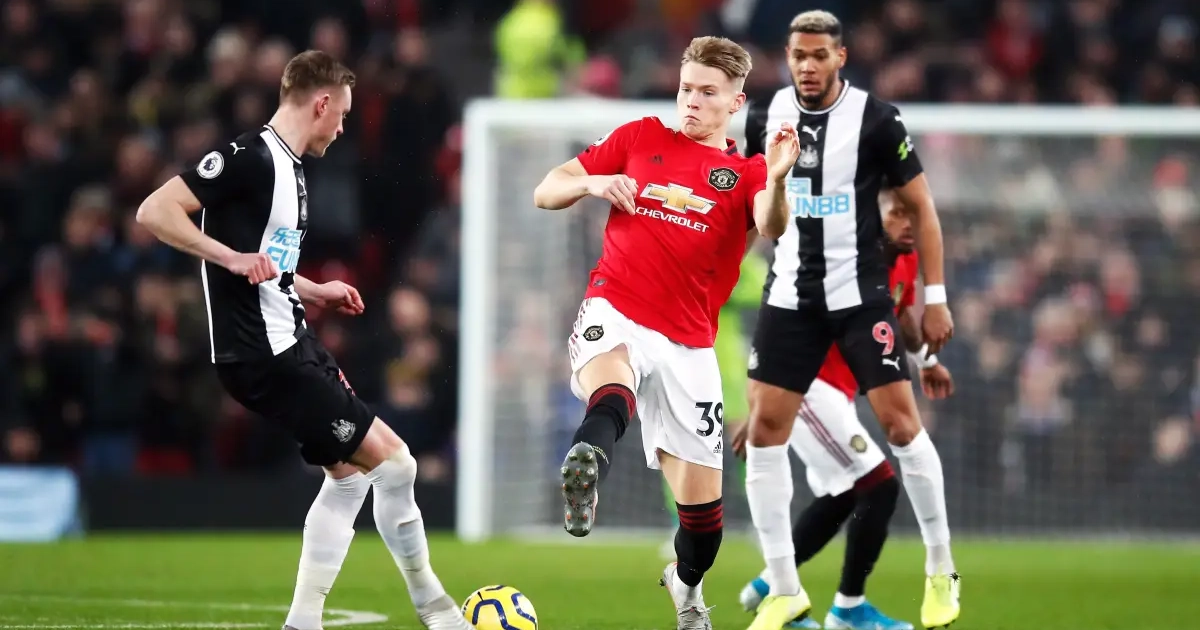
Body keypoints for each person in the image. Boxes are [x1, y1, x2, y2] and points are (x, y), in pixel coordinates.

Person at [135, 50, 470, 630]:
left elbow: (269, 264)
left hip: (291, 340)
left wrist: (314, 289)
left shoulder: (291, 169)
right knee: (396, 466)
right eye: (342, 115)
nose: (342, 129)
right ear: (321, 104)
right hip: (265, 353)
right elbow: (154, 210)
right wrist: (228, 257)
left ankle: (304, 622)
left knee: (350, 477)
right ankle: (436, 612)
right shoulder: (249, 157)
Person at [533, 36, 798, 630]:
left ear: (735, 102)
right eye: (686, 89)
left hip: (690, 345)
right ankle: (587, 469)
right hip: (616, 305)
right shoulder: (639, 138)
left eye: (708, 92)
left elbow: (772, 225)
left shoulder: (749, 172)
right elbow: (546, 189)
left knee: (704, 529)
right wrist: (591, 184)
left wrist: (780, 178)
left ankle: (686, 585)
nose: (692, 101)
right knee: (612, 387)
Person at [740, 11, 960, 630]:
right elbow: (755, 211)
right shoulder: (764, 116)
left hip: (859, 296)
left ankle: (941, 569)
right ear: (787, 57)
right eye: (798, 56)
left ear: (841, 57)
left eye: (819, 55)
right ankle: (784, 589)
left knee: (901, 426)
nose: (807, 66)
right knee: (764, 433)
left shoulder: (877, 119)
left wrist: (936, 298)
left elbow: (921, 206)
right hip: (790, 296)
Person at [732, 192, 956, 630]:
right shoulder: (840, 257)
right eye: (897, 213)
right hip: (808, 388)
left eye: (913, 215)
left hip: (836, 394)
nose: (908, 224)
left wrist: (927, 361)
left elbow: (901, 317)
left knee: (846, 493)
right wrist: (769, 404)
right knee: (878, 485)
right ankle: (846, 608)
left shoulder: (904, 258)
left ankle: (773, 587)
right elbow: (792, 325)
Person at [658, 249, 769, 561]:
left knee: (745, 444)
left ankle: (762, 523)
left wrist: (719, 282)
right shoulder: (681, 255)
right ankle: (679, 526)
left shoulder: (740, 259)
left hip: (727, 367)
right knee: (676, 446)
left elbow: (761, 288)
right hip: (683, 363)